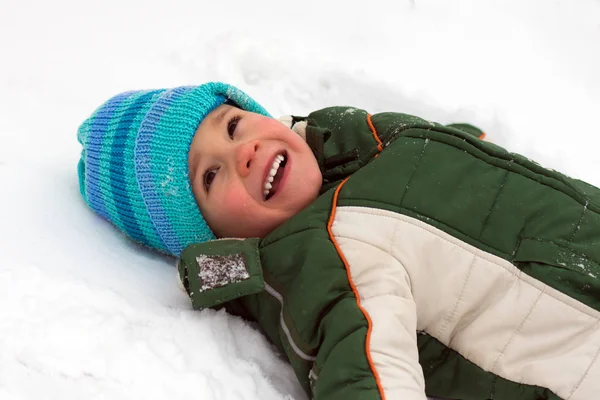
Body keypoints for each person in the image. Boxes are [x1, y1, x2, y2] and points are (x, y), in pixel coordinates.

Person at [77, 82, 600, 400]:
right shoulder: (323, 260)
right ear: (211, 234)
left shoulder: (351, 140)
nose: (243, 152)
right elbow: (368, 366)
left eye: (232, 124)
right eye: (209, 177)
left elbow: (450, 153)